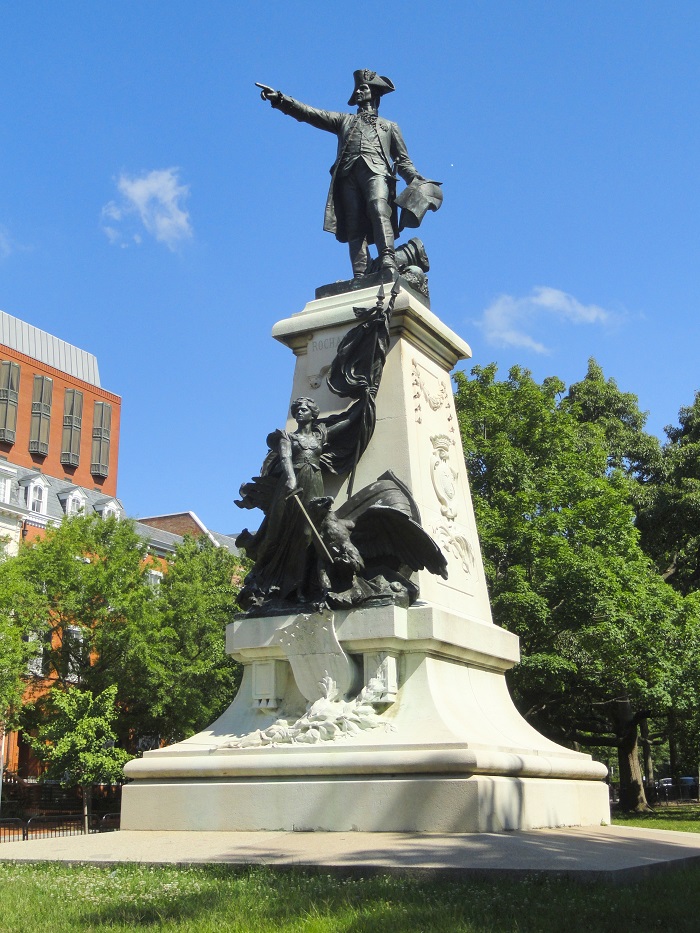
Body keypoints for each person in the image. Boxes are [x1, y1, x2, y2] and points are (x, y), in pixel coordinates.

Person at [259, 69, 428, 278]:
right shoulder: (344, 121)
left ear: (374, 93)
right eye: (357, 88)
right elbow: (310, 114)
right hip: (348, 175)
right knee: (354, 223)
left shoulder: (389, 126)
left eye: (363, 88)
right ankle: (360, 273)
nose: (358, 92)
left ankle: (387, 259)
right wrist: (281, 100)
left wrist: (414, 178)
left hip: (377, 171)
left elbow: (402, 160)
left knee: (378, 207)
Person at [235, 397, 361, 609]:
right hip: (289, 486)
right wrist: (291, 478)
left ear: (313, 413)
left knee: (306, 536)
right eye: (297, 409)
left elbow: (346, 423)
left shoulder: (320, 436)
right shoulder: (287, 437)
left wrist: (365, 403)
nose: (299, 412)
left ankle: (299, 588)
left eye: (304, 409)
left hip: (314, 481)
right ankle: (261, 579)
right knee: (275, 533)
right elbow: (285, 459)